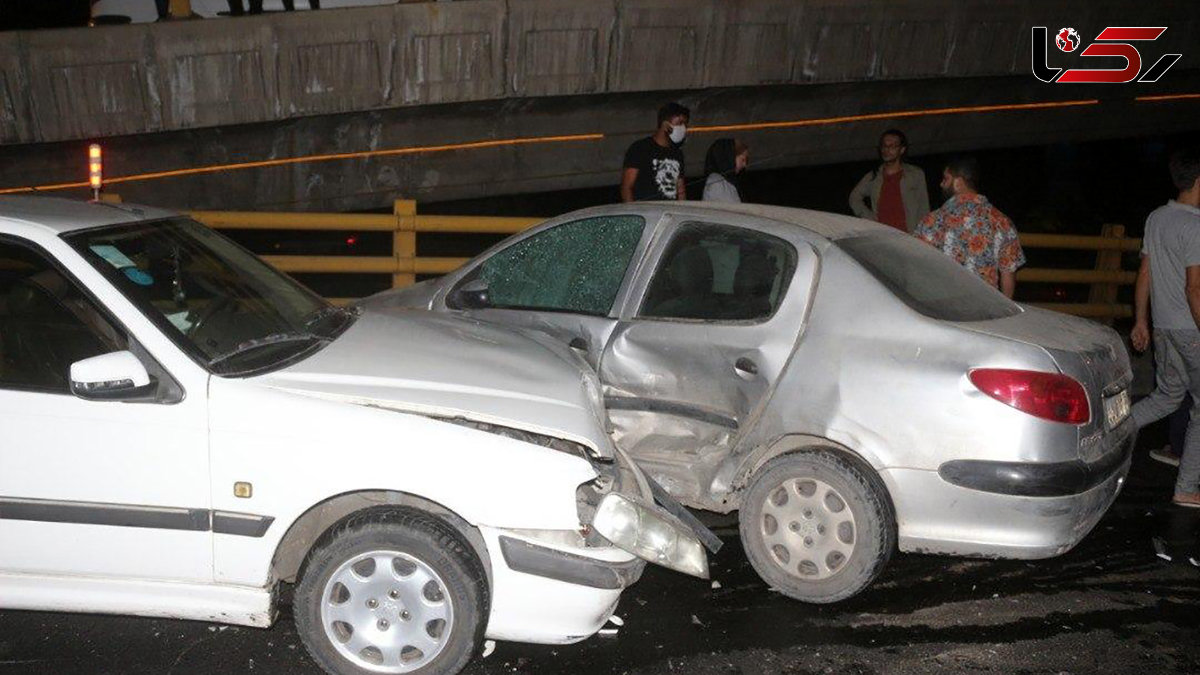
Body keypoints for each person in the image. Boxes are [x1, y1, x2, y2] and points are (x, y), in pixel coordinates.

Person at [1128, 147, 1200, 509]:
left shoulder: (1157, 217)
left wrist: (1141, 320)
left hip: (1164, 328)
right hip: (1191, 330)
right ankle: (1187, 487)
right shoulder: (1195, 226)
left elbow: (1144, 272)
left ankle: (1107, 435)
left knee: (1168, 396)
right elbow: (1195, 288)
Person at [913, 157, 1025, 298]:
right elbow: (1008, 272)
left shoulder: (932, 220)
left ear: (958, 182)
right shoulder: (1000, 220)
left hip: (943, 305)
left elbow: (918, 266)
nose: (941, 184)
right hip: (986, 306)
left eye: (946, 179)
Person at [849, 129, 930, 232]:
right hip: (884, 236)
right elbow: (854, 198)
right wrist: (869, 218)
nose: (887, 150)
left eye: (892, 146)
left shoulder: (915, 174)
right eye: (884, 146)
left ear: (902, 150)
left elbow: (924, 207)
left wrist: (923, 234)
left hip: (909, 236)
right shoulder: (874, 176)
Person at [621, 102, 689, 202]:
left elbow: (681, 189)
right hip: (647, 212)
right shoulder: (640, 148)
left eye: (685, 124)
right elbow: (626, 187)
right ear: (665, 124)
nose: (683, 128)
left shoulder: (677, 154)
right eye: (679, 123)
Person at [702, 138, 748, 203]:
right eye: (742, 160)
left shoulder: (728, 182)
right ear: (730, 157)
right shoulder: (716, 182)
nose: (744, 165)